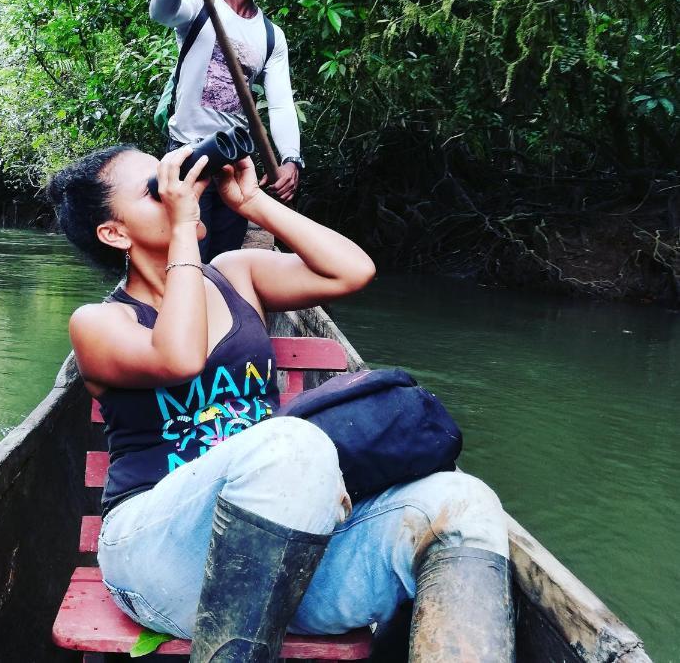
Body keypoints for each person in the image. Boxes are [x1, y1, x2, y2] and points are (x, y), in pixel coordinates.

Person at [48, 144, 516, 663]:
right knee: (288, 444)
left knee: (463, 502)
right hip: (159, 557)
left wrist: (254, 203)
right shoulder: (100, 322)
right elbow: (179, 357)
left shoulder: (237, 274)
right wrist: (184, 229)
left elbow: (351, 271)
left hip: (284, 556)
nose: (181, 192)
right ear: (115, 233)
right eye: (156, 189)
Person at [150, 0, 303, 262]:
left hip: (235, 166)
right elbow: (160, 12)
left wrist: (291, 157)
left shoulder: (271, 35)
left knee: (225, 265)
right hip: (188, 159)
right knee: (188, 261)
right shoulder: (197, 7)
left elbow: (280, 103)